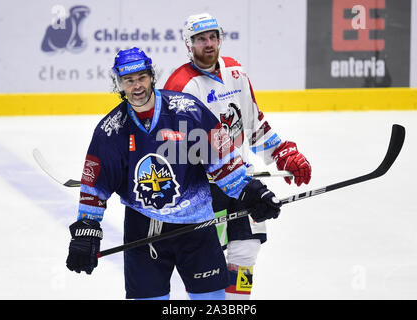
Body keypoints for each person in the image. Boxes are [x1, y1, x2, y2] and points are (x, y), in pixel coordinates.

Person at [65, 46, 282, 300]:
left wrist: (251, 191)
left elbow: (223, 162)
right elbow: (95, 187)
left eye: (141, 78)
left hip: (197, 224)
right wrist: (87, 227)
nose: (136, 86)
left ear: (151, 76)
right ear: (119, 83)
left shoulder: (187, 110)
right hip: (144, 228)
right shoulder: (111, 131)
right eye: (128, 80)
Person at [164, 13, 312, 299]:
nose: (208, 44)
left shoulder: (236, 73)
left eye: (213, 37)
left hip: (242, 180)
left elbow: (253, 125)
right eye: (200, 39)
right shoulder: (181, 85)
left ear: (220, 38)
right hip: (203, 190)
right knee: (208, 263)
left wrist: (283, 153)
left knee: (246, 251)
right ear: (188, 44)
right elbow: (173, 148)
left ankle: (236, 304)